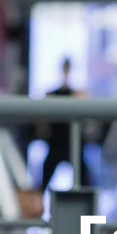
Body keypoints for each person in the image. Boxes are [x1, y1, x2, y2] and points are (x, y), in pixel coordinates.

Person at [39, 58, 92, 189]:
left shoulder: (79, 95)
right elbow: (43, 124)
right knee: (43, 182)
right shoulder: (51, 95)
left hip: (74, 144)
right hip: (56, 143)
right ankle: (37, 205)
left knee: (85, 182)